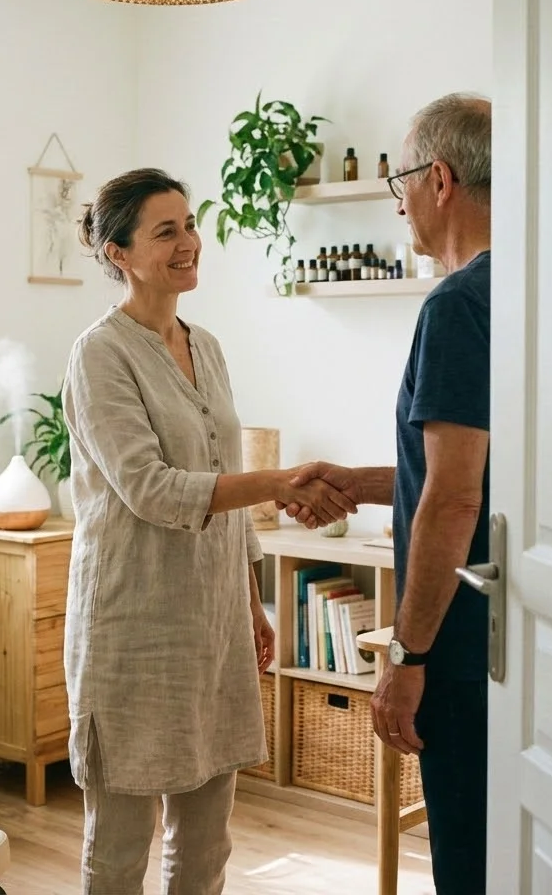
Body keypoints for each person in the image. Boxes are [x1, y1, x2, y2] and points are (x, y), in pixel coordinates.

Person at [62, 167, 358, 895]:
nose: (190, 242)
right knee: (123, 843)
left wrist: (249, 599)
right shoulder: (100, 355)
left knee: (206, 838)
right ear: (119, 253)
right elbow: (152, 489)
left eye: (190, 225)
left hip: (211, 621)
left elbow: (218, 470)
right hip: (133, 627)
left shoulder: (209, 346)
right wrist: (278, 482)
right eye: (167, 231)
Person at [286, 94, 492, 894]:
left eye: (400, 179)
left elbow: (454, 499)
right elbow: (481, 468)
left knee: (467, 858)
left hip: (462, 642)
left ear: (438, 179)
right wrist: (368, 482)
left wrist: (406, 657)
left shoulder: (457, 303)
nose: (396, 198)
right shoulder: (535, 283)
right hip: (514, 633)